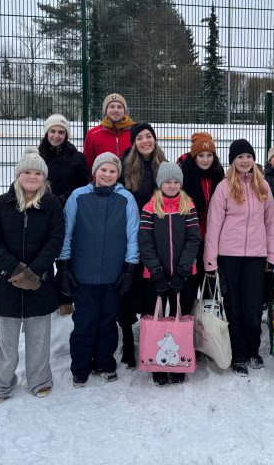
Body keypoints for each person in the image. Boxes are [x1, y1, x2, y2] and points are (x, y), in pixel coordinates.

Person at [0, 147, 65, 405]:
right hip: (7, 280)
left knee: (38, 336)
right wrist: (15, 268)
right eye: (27, 171)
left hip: (40, 281)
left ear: (44, 178)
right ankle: (1, 383)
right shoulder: (2, 203)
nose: (32, 176)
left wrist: (35, 270)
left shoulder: (52, 205)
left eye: (37, 173)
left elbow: (56, 239)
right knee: (5, 339)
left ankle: (39, 380)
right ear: (18, 175)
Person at [58, 152, 140, 387]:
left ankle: (105, 363)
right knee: (84, 323)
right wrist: (63, 265)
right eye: (103, 170)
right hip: (83, 275)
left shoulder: (126, 199)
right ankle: (80, 367)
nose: (107, 174)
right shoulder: (78, 196)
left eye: (112, 171)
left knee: (107, 322)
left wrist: (130, 269)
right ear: (95, 172)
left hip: (114, 276)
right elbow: (66, 232)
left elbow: (133, 235)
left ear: (118, 174)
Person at [203, 139, 274, 376]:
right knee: (233, 306)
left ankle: (253, 350)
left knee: (253, 307)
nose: (245, 161)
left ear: (254, 159)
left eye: (248, 156)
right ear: (233, 161)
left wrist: (271, 255)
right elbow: (213, 225)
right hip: (229, 256)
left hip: (256, 257)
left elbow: (270, 224)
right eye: (240, 157)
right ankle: (239, 354)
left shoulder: (263, 186)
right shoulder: (224, 187)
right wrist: (210, 261)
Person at [138, 161, 201, 386]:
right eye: (168, 181)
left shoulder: (188, 206)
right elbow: (145, 242)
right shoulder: (150, 207)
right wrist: (156, 272)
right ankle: (157, 362)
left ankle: (178, 359)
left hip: (184, 274)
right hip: (155, 275)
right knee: (157, 316)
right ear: (160, 183)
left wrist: (182, 271)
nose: (172, 185)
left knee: (179, 315)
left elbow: (194, 239)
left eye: (176, 181)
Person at [118, 122, 168, 368]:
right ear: (134, 143)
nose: (146, 141)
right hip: (130, 236)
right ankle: (127, 340)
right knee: (127, 289)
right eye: (140, 138)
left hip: (156, 237)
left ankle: (151, 339)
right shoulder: (125, 166)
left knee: (151, 290)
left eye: (149, 136)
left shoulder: (164, 164)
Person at [38, 113, 89, 317]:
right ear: (46, 133)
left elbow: (83, 185)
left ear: (66, 135)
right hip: (42, 213)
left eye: (61, 132)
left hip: (68, 212)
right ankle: (43, 297)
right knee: (43, 254)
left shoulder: (76, 158)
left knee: (64, 255)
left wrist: (63, 199)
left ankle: (64, 298)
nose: (57, 135)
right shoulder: (38, 156)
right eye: (53, 131)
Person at [178, 132, 225, 288]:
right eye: (201, 155)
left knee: (210, 279)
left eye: (209, 155)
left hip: (212, 231)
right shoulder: (185, 173)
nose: (205, 160)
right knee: (192, 279)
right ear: (194, 156)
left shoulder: (218, 173)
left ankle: (207, 310)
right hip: (192, 231)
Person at [82, 93, 135, 171]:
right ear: (105, 110)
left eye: (119, 107)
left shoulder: (135, 131)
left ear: (124, 110)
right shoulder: (93, 134)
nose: (116, 110)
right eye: (112, 106)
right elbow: (88, 163)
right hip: (104, 181)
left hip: (131, 181)